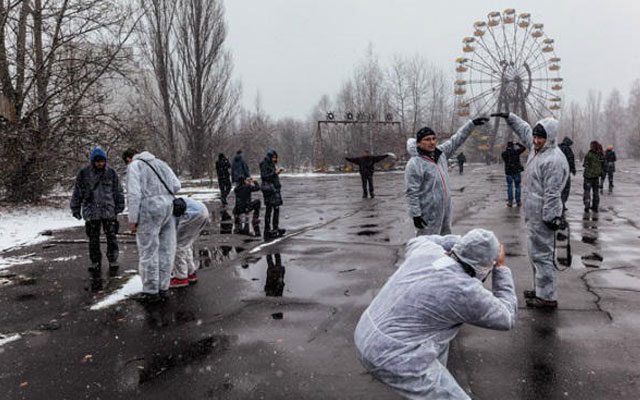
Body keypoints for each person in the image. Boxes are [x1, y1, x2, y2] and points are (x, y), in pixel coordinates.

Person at [354, 230, 516, 399]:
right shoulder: (465, 290)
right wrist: (501, 268)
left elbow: (420, 239)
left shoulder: (427, 251)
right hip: (393, 356)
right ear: (484, 266)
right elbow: (506, 317)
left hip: (366, 331)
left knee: (439, 344)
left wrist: (462, 242)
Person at [492, 112, 569, 308]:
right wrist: (510, 117)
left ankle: (547, 297)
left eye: (540, 137)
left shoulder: (553, 160)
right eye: (535, 137)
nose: (535, 140)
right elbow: (525, 129)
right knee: (536, 254)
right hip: (534, 215)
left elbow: (553, 194)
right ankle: (540, 290)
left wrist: (551, 217)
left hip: (544, 216)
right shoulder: (538, 150)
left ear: (549, 137)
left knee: (544, 256)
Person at [405, 117, 489, 236]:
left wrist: (471, 124)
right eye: (427, 139)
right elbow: (411, 192)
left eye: (434, 139)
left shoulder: (440, 154)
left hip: (445, 210)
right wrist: (416, 215)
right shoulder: (415, 163)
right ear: (419, 143)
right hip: (427, 212)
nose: (432, 142)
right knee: (428, 245)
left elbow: (456, 140)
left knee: (444, 242)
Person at [123, 148, 181, 303]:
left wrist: (133, 220)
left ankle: (151, 291)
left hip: (149, 209)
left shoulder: (135, 166)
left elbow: (134, 195)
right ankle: (163, 287)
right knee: (166, 250)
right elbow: (176, 185)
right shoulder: (161, 163)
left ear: (129, 158)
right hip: (168, 207)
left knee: (148, 251)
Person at [70, 147, 125, 276]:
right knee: (93, 239)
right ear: (92, 161)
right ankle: (95, 261)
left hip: (108, 211)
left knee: (111, 237)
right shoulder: (84, 174)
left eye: (102, 161)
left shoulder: (111, 173)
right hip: (91, 212)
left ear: (105, 161)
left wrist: (119, 205)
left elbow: (118, 191)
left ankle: (113, 259)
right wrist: (75, 208)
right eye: (97, 161)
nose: (100, 163)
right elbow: (77, 192)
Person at [170, 197, 210, 288]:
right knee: (186, 244)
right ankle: (190, 272)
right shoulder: (167, 199)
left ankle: (180, 278)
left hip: (192, 214)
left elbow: (171, 228)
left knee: (177, 246)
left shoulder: (162, 207)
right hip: (201, 210)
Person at [260, 149, 285, 239]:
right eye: (274, 157)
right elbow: (264, 176)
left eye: (275, 158)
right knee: (269, 209)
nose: (275, 159)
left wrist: (275, 174)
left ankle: (275, 227)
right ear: (270, 157)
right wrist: (274, 173)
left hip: (274, 189)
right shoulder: (265, 164)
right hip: (269, 189)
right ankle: (268, 229)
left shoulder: (271, 164)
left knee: (276, 208)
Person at [500, 141, 527, 207]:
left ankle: (510, 201)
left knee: (510, 186)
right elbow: (524, 148)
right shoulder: (516, 152)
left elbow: (504, 157)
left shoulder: (504, 154)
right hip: (516, 171)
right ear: (513, 146)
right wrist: (518, 144)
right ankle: (518, 201)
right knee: (517, 186)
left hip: (508, 172)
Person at [583, 140, 605, 212]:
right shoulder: (601, 154)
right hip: (596, 177)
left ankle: (587, 206)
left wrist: (588, 168)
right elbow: (604, 165)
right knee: (596, 193)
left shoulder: (589, 154)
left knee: (587, 192)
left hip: (588, 177)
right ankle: (595, 206)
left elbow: (585, 164)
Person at [558, 137, 577, 210]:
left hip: (557, 171)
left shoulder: (557, 148)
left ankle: (558, 203)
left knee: (558, 187)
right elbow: (571, 160)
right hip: (565, 171)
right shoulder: (568, 150)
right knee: (565, 188)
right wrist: (573, 169)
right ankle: (562, 203)